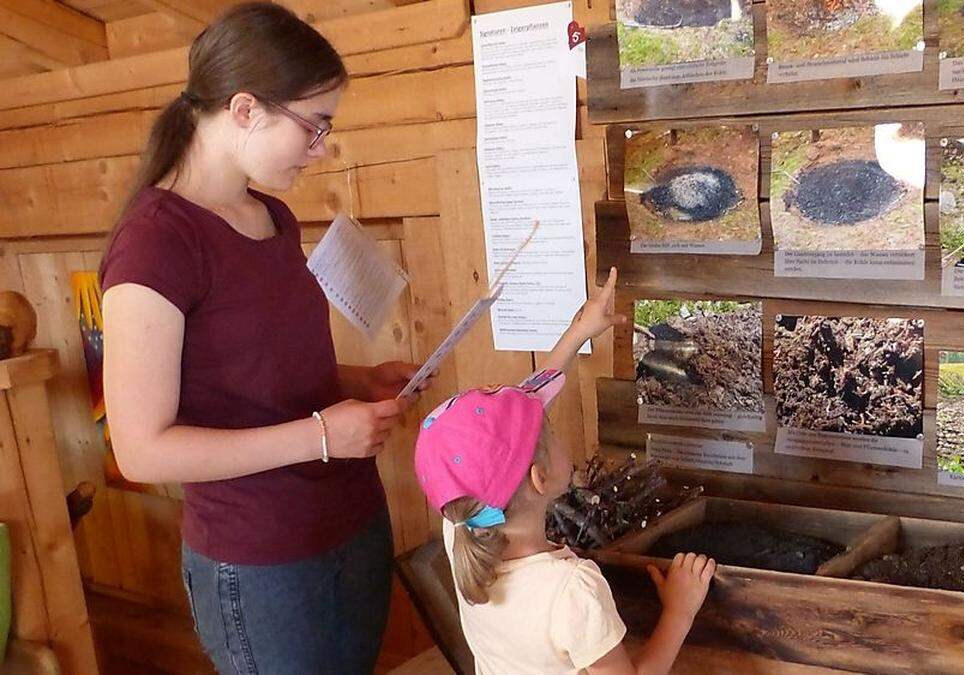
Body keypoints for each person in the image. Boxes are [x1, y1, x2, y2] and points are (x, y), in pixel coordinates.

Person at [99, 4, 420, 673]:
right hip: (259, 560)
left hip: (351, 520)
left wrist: (362, 382)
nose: (322, 147)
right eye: (314, 125)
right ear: (244, 110)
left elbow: (262, 372)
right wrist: (322, 436)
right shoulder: (156, 243)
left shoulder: (272, 215)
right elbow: (140, 449)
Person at [415, 269, 717, 674]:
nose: (552, 427)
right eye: (551, 432)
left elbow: (513, 435)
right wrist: (680, 611)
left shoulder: (463, 529)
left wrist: (579, 333)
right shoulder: (571, 589)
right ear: (539, 477)